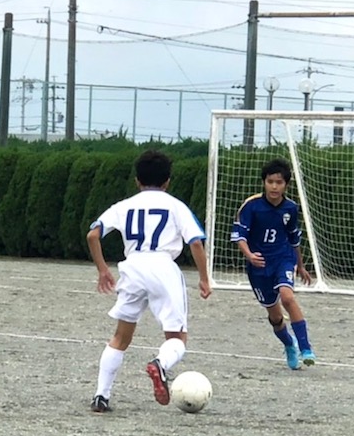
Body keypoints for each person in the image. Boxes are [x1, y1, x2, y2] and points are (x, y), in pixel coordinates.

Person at [86, 149, 212, 413]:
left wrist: (102, 269)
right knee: (177, 337)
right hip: (163, 268)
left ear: (137, 180)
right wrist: (204, 278)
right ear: (167, 181)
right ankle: (160, 364)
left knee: (120, 336)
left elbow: (93, 235)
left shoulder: (124, 206)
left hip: (132, 267)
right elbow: (195, 243)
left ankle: (101, 396)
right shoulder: (176, 206)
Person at [230, 158, 315, 368]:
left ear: (286, 184)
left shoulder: (291, 208)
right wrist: (249, 255)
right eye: (270, 182)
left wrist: (300, 265)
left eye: (279, 182)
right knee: (275, 317)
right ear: (264, 182)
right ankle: (289, 344)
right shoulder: (252, 206)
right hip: (258, 266)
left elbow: (294, 239)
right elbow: (240, 236)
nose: (274, 187)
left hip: (282, 259)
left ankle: (306, 348)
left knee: (287, 297)